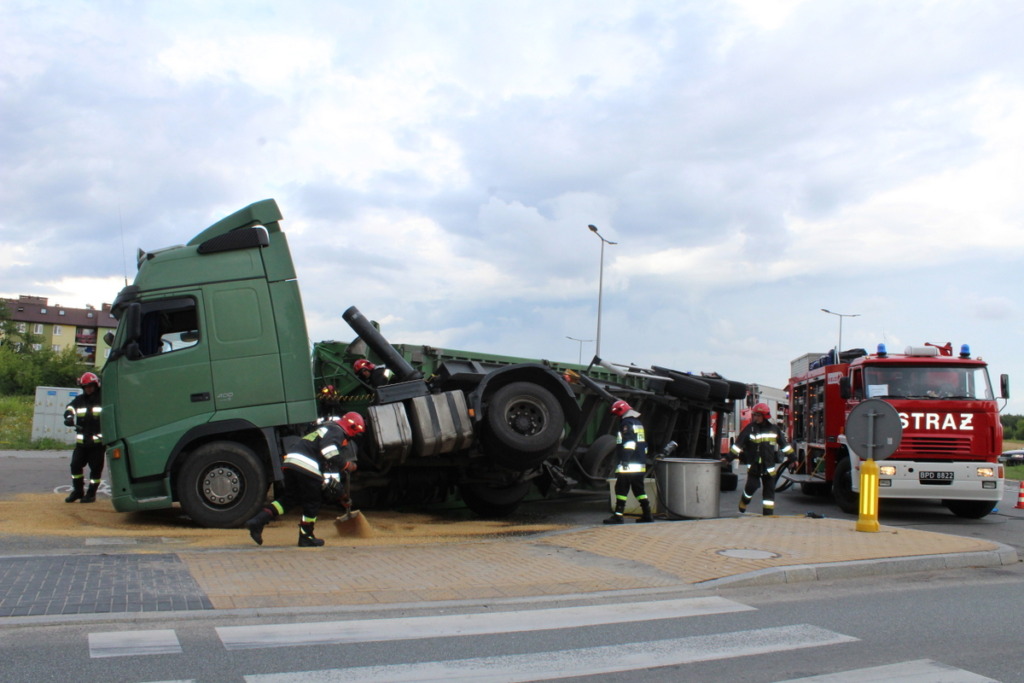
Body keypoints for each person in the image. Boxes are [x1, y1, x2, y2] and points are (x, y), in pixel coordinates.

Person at [245, 412, 366, 547]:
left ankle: (258, 520)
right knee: (312, 502)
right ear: (351, 428)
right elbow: (329, 452)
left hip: (292, 464)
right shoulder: (336, 431)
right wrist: (346, 465)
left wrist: (341, 495)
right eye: (355, 434)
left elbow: (329, 472)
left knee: (290, 499)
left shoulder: (326, 431)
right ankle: (306, 536)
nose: (351, 438)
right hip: (306, 466)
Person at [730, 402, 794, 516]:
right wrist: (728, 458)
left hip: (769, 468)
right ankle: (745, 500)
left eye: (758, 415)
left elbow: (784, 445)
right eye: (754, 415)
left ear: (765, 416)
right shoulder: (750, 428)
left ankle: (768, 516)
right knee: (751, 486)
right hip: (754, 466)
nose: (755, 417)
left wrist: (793, 458)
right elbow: (738, 445)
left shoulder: (774, 429)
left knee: (769, 494)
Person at [604, 400, 653, 524]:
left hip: (629, 464)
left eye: (616, 414)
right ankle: (647, 514)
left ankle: (618, 516)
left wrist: (625, 460)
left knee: (621, 489)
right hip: (640, 463)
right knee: (639, 490)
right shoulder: (638, 423)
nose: (617, 417)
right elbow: (643, 444)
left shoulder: (626, 423)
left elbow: (630, 443)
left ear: (620, 411)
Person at [63, 372, 104, 503]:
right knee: (75, 465)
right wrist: (69, 417)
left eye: (90, 386)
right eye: (86, 387)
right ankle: (78, 491)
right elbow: (70, 408)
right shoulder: (79, 400)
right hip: (82, 444)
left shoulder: (103, 400)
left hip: (97, 444)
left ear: (96, 386)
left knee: (95, 471)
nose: (88, 389)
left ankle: (91, 494)